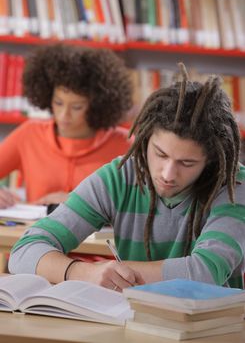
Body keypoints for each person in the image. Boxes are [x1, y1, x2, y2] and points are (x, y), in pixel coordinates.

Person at [9, 63, 245, 290]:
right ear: (144, 140)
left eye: (187, 163)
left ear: (212, 160)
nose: (167, 174)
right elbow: (23, 252)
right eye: (160, 154)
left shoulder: (234, 185)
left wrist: (113, 273)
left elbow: (204, 273)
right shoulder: (119, 177)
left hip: (210, 329)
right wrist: (82, 272)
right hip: (128, 320)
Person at [0, 44, 134, 207]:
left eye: (77, 107)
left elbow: (142, 202)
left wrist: (77, 202)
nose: (64, 115)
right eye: (58, 103)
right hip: (36, 231)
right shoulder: (29, 134)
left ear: (97, 105)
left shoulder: (123, 144)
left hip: (98, 232)